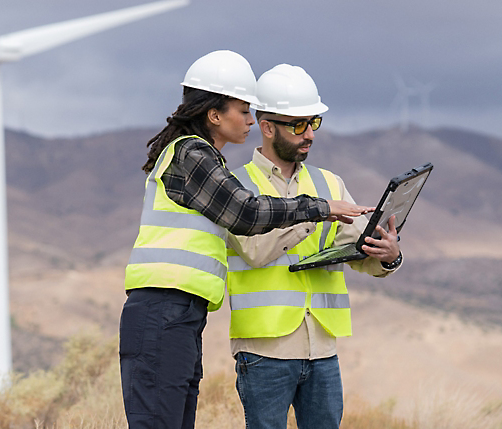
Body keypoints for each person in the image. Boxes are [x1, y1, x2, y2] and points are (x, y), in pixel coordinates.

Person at [119, 51, 373, 429]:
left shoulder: (202, 159)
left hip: (181, 311)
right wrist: (318, 208)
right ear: (214, 114)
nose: (251, 120)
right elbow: (247, 214)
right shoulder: (192, 155)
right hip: (163, 309)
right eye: (243, 110)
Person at [225, 64, 403, 429]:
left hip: (323, 348)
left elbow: (357, 251)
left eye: (314, 124)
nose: (309, 134)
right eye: (298, 125)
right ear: (268, 126)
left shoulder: (329, 182)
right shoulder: (236, 186)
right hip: (263, 350)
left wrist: (388, 256)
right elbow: (255, 251)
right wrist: (317, 213)